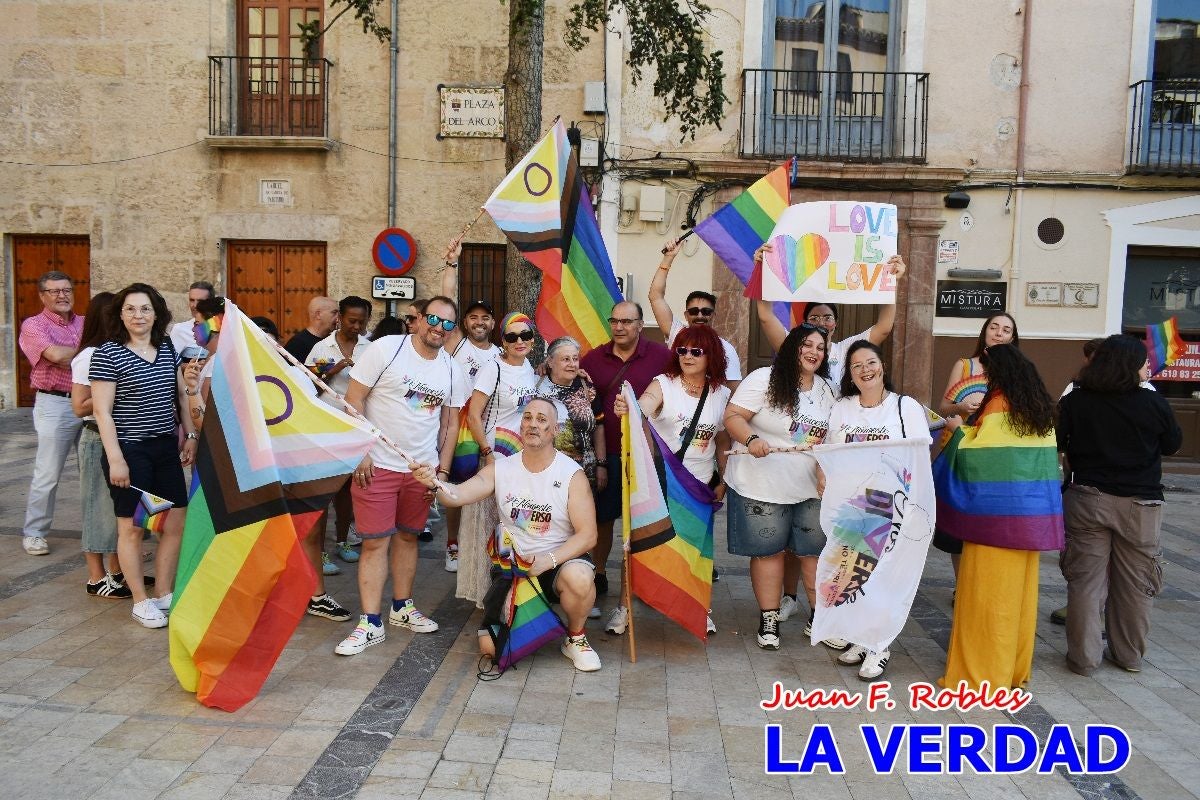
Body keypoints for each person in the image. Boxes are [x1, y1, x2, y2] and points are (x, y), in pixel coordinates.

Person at [410, 397, 602, 672]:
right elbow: (458, 495)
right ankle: (530, 619)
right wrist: (433, 482)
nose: (532, 424)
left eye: (541, 419)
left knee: (580, 578)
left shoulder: (572, 474)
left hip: (557, 562)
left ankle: (575, 638)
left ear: (554, 430)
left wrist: (547, 560)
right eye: (527, 417)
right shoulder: (502, 468)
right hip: (514, 569)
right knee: (491, 649)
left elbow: (588, 536)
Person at [335, 296, 467, 656]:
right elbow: (354, 399)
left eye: (448, 324)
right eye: (434, 320)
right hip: (376, 465)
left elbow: (451, 422)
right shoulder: (385, 350)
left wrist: (440, 470)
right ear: (418, 319)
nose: (439, 328)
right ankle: (370, 622)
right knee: (376, 542)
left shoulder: (453, 370)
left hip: (420, 471)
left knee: (409, 537)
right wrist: (360, 451)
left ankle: (402, 607)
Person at [938, 344, 1063, 692]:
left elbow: (978, 459)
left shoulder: (997, 405)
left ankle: (984, 677)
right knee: (1018, 602)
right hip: (1028, 526)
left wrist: (957, 427)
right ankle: (1010, 670)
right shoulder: (1038, 410)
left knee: (989, 600)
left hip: (994, 526)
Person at [1057, 334, 1182, 675]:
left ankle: (1083, 659)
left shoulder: (1077, 400)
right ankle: (1128, 656)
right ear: (1129, 364)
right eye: (1144, 361)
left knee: (1085, 580)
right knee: (1136, 583)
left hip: (1087, 499)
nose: (1148, 366)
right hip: (1141, 504)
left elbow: (1057, 440)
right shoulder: (1153, 402)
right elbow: (1172, 444)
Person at [609, 324, 732, 635]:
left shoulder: (722, 395)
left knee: (696, 550)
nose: (687, 356)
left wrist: (724, 480)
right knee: (640, 544)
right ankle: (624, 607)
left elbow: (722, 441)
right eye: (682, 350)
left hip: (699, 485)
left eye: (696, 351)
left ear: (711, 356)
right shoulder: (664, 383)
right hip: (660, 482)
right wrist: (630, 407)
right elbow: (644, 406)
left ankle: (698, 606)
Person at [721, 324, 837, 651]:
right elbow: (733, 417)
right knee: (769, 553)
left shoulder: (827, 390)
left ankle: (821, 618)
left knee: (814, 554)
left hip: (812, 488)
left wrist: (826, 469)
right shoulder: (763, 379)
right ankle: (769, 618)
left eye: (820, 347)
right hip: (761, 486)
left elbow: (832, 436)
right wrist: (752, 439)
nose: (814, 352)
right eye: (807, 345)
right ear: (792, 348)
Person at [821, 340, 932, 679]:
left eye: (870, 362)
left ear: (882, 366)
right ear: (849, 374)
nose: (865, 370)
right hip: (852, 507)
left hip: (891, 506)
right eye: (857, 366)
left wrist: (912, 506)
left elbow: (918, 456)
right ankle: (860, 637)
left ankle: (880, 645)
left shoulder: (905, 406)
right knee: (857, 574)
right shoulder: (842, 408)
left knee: (884, 575)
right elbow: (830, 450)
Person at [90, 283, 197, 628]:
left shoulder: (166, 346)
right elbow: (103, 412)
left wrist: (190, 435)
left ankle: (164, 592)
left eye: (146, 309)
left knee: (174, 521)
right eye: (132, 309)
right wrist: (117, 459)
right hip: (130, 451)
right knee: (133, 526)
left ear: (157, 313)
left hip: (165, 448)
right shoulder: (107, 353)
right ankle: (140, 599)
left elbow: (180, 395)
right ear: (120, 314)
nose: (139, 315)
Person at [579, 301, 672, 603]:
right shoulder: (594, 359)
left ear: (640, 325)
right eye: (614, 321)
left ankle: (643, 579)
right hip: (609, 454)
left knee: (646, 520)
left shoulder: (662, 357)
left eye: (626, 322)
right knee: (603, 518)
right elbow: (573, 383)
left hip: (647, 455)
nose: (619, 327)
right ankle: (600, 571)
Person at [456, 312, 539, 608]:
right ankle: (485, 594)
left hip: (519, 457)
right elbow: (474, 414)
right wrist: (487, 454)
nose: (520, 342)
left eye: (525, 336)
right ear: (501, 340)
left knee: (511, 523)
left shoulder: (529, 366)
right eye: (512, 337)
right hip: (494, 456)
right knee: (488, 525)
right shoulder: (493, 368)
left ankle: (509, 593)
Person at [933, 312, 1020, 576]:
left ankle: (981, 580)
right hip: (960, 448)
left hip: (994, 455)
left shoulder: (1017, 372)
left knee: (987, 520)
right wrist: (960, 406)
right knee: (958, 518)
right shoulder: (964, 365)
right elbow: (943, 408)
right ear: (984, 332)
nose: (999, 333)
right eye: (994, 327)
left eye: (1006, 330)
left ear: (1013, 338)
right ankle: (962, 585)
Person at [753, 248, 907, 390]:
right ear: (804, 323)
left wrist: (892, 282)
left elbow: (884, 328)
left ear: (835, 324)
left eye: (827, 318)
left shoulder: (846, 350)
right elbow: (766, 317)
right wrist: (764, 272)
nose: (821, 322)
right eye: (814, 318)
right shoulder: (792, 347)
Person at [19, 270, 85, 556]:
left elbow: (103, 351)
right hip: (55, 404)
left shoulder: (84, 322)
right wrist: (88, 351)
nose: (62, 295)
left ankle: (102, 534)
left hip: (89, 402)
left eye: (67, 290)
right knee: (47, 473)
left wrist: (75, 352)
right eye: (55, 291)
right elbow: (54, 356)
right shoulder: (33, 325)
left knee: (96, 472)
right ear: (42, 295)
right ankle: (34, 533)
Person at [306, 296, 373, 570]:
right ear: (339, 318)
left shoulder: (371, 349)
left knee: (347, 490)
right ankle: (319, 551)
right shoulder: (323, 347)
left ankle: (343, 540)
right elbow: (310, 383)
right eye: (351, 320)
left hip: (355, 426)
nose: (356, 326)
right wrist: (338, 367)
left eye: (361, 321)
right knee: (324, 490)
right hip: (327, 427)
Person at [70, 291, 129, 599]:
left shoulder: (117, 351)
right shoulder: (89, 356)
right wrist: (113, 390)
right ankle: (96, 577)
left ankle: (118, 572)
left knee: (117, 508)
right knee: (96, 507)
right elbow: (79, 406)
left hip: (120, 436)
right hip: (96, 438)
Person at [650, 239, 742, 389]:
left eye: (705, 311)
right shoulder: (677, 335)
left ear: (713, 315)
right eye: (694, 311)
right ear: (686, 315)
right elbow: (655, 297)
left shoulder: (726, 349)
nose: (699, 315)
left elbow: (733, 391)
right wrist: (668, 258)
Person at [536, 336, 604, 490]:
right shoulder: (536, 385)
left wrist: (602, 464)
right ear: (550, 362)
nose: (572, 364)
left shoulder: (587, 388)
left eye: (575, 359)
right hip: (545, 468)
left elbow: (600, 426)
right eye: (565, 359)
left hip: (585, 470)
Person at [284, 296, 338, 362]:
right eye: (334, 313)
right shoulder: (298, 343)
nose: (338, 317)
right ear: (318, 315)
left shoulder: (333, 340)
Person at [168, 280, 215, 355]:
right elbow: (170, 363)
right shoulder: (180, 330)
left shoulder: (223, 328)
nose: (195, 305)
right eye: (192, 300)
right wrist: (189, 365)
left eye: (200, 301)